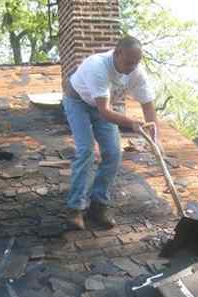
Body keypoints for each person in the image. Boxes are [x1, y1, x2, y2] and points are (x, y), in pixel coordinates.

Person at [63, 35, 158, 230]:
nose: (132, 66)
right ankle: (75, 208)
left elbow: (148, 106)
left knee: (114, 153)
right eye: (129, 62)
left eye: (136, 62)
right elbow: (104, 112)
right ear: (117, 53)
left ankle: (99, 205)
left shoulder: (136, 72)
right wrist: (132, 123)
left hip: (103, 107)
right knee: (86, 151)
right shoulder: (97, 67)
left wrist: (156, 139)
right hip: (78, 102)